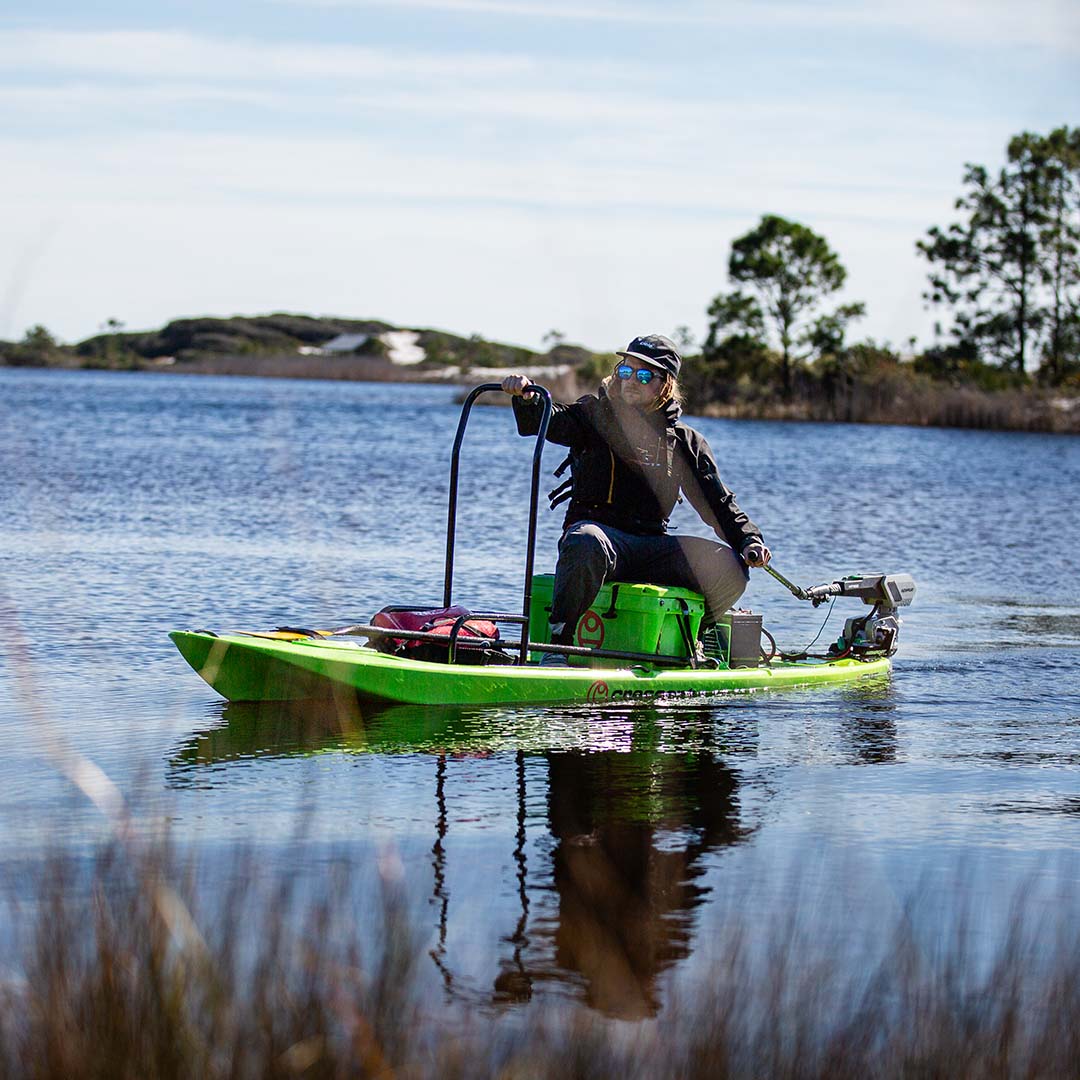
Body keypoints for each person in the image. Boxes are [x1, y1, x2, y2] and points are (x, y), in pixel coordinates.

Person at [501, 333, 770, 663]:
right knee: (586, 540)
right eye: (626, 371)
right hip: (598, 540)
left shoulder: (684, 442)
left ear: (664, 385)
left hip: (650, 547)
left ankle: (692, 639)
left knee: (730, 568)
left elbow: (718, 505)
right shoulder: (591, 415)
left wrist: (748, 540)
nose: (631, 381)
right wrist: (527, 397)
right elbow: (543, 423)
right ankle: (559, 647)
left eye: (644, 375)